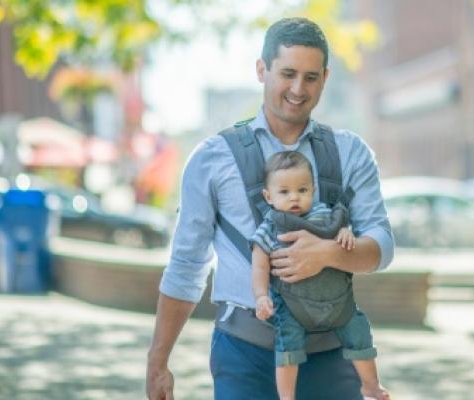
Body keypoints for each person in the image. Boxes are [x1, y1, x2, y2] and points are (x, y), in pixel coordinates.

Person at [145, 17, 395, 400]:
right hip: (243, 356)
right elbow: (187, 265)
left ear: (325, 78)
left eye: (311, 77)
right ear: (262, 70)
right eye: (288, 73)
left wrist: (327, 253)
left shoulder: (350, 152)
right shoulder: (212, 158)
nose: (298, 89)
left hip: (331, 353)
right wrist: (158, 360)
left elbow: (382, 245)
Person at [251, 151, 389, 400]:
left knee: (359, 335)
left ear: (313, 190)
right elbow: (259, 266)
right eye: (284, 192)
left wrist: (346, 237)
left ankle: (370, 385)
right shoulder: (269, 228)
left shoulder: (327, 216)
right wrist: (261, 296)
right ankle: (287, 397)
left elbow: (344, 236)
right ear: (268, 196)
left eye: (302, 190)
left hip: (338, 301)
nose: (294, 197)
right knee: (287, 348)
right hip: (292, 305)